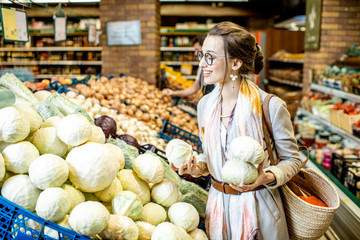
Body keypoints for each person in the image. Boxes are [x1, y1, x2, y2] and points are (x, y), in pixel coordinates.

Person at [170, 22, 301, 240]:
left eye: (210, 57)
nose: (202, 63)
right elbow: (212, 154)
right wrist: (198, 167)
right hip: (218, 208)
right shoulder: (205, 106)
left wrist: (265, 177)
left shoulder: (269, 106)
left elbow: (293, 160)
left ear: (236, 62)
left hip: (260, 210)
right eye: (201, 55)